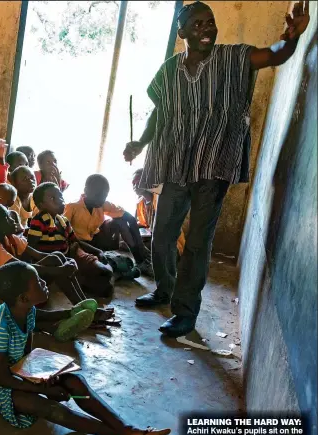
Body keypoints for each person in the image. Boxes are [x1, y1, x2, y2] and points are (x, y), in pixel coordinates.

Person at [122, 0, 311, 337]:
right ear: (182, 32)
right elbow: (159, 111)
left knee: (197, 242)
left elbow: (274, 54)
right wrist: (140, 142)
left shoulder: (234, 58)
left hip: (214, 165)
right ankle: (165, 289)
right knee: (163, 232)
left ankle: (185, 312)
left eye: (210, 22)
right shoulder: (169, 70)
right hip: (177, 163)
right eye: (198, 25)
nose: (207, 29)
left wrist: (292, 37)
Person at [0, 261, 174, 435]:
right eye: (38, 282)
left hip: (14, 370)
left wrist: (40, 377)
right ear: (23, 298)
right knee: (47, 408)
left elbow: (26, 356)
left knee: (74, 382)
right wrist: (43, 389)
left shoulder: (25, 309)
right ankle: (126, 434)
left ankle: (127, 431)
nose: (44, 283)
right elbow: (1, 378)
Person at [0, 203, 88, 306]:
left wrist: (67, 260)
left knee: (55, 257)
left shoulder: (11, 238)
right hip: (5, 290)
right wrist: (60, 270)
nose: (13, 220)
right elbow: (21, 267)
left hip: (17, 281)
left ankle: (83, 301)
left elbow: (39, 255)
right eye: (7, 218)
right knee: (58, 266)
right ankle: (81, 304)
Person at [28, 183, 114, 297]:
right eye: (53, 198)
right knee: (104, 281)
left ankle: (87, 278)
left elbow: (75, 241)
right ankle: (84, 279)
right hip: (54, 262)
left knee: (105, 275)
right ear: (41, 205)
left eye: (60, 195)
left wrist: (98, 251)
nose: (59, 200)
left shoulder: (63, 220)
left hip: (69, 255)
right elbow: (31, 246)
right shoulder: (39, 220)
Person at [64, 174, 152, 275]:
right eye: (97, 196)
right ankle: (117, 272)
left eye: (104, 196)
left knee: (120, 222)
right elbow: (63, 231)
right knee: (97, 268)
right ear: (86, 191)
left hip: (95, 241)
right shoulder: (72, 207)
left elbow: (130, 219)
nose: (101, 200)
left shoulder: (102, 204)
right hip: (78, 244)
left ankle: (140, 261)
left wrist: (140, 246)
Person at [132, 168, 185, 257]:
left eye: (137, 182)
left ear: (148, 183)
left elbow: (164, 227)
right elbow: (143, 223)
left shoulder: (160, 199)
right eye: (133, 183)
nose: (134, 185)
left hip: (169, 243)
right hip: (153, 237)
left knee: (147, 248)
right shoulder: (140, 203)